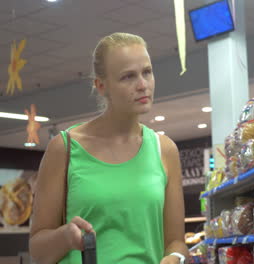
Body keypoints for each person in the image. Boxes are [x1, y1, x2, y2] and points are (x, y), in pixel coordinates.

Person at [29, 32, 189, 264]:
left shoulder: (164, 150)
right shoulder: (64, 148)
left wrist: (174, 258)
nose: (142, 85)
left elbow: (177, 242)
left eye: (147, 72)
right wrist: (64, 236)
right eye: (128, 77)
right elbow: (37, 249)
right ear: (101, 86)